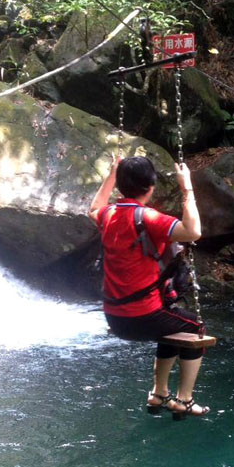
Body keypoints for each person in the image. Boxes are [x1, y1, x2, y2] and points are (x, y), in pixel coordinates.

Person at [89, 155, 210, 418]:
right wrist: (187, 187)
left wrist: (111, 174)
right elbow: (194, 232)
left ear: (121, 186)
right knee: (195, 328)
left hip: (114, 317)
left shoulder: (108, 215)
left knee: (172, 325)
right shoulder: (149, 218)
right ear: (151, 186)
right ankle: (184, 399)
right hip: (142, 316)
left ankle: (159, 393)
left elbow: (93, 208)